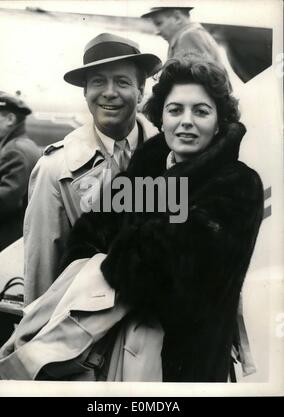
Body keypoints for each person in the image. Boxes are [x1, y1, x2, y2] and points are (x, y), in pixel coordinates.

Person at [62, 55, 264, 382]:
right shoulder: (149, 166)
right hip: (116, 357)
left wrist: (115, 257)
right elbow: (84, 239)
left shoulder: (237, 186)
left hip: (187, 370)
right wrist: (125, 257)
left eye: (201, 111)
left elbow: (166, 281)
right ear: (161, 116)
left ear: (219, 121)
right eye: (175, 110)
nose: (186, 121)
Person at [23, 33, 161, 305]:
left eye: (122, 81)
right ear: (85, 91)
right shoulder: (55, 169)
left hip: (152, 327)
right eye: (98, 81)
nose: (109, 92)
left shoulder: (171, 158)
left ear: (140, 90)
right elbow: (42, 272)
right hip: (85, 330)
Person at [0, 90, 41, 257]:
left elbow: (3, 203)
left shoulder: (14, 151)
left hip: (5, 245)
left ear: (10, 119)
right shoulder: (22, 145)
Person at [141, 6, 222, 63]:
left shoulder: (189, 36)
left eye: (159, 23)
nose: (157, 32)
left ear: (177, 18)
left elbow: (194, 80)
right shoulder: (194, 33)